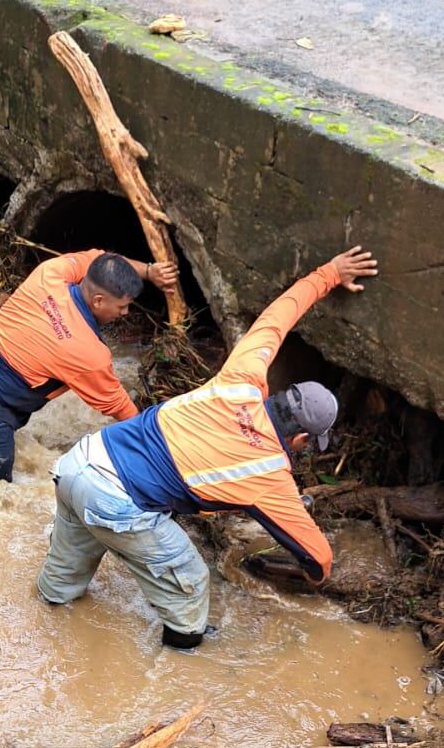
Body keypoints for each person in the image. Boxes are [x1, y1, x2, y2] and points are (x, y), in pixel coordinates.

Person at [37, 245, 378, 648]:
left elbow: (279, 316)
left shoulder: (243, 375)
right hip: (115, 498)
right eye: (308, 445)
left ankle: (44, 625)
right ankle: (181, 661)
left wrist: (330, 271)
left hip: (82, 460)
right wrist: (315, 578)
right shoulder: (269, 475)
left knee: (62, 583)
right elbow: (318, 557)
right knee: (192, 583)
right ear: (300, 440)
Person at [0, 248, 178, 480]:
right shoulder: (87, 353)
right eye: (122, 306)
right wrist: (159, 450)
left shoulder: (51, 273)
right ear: (98, 301)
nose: (126, 313)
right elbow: (121, 408)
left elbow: (99, 258)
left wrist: (149, 271)